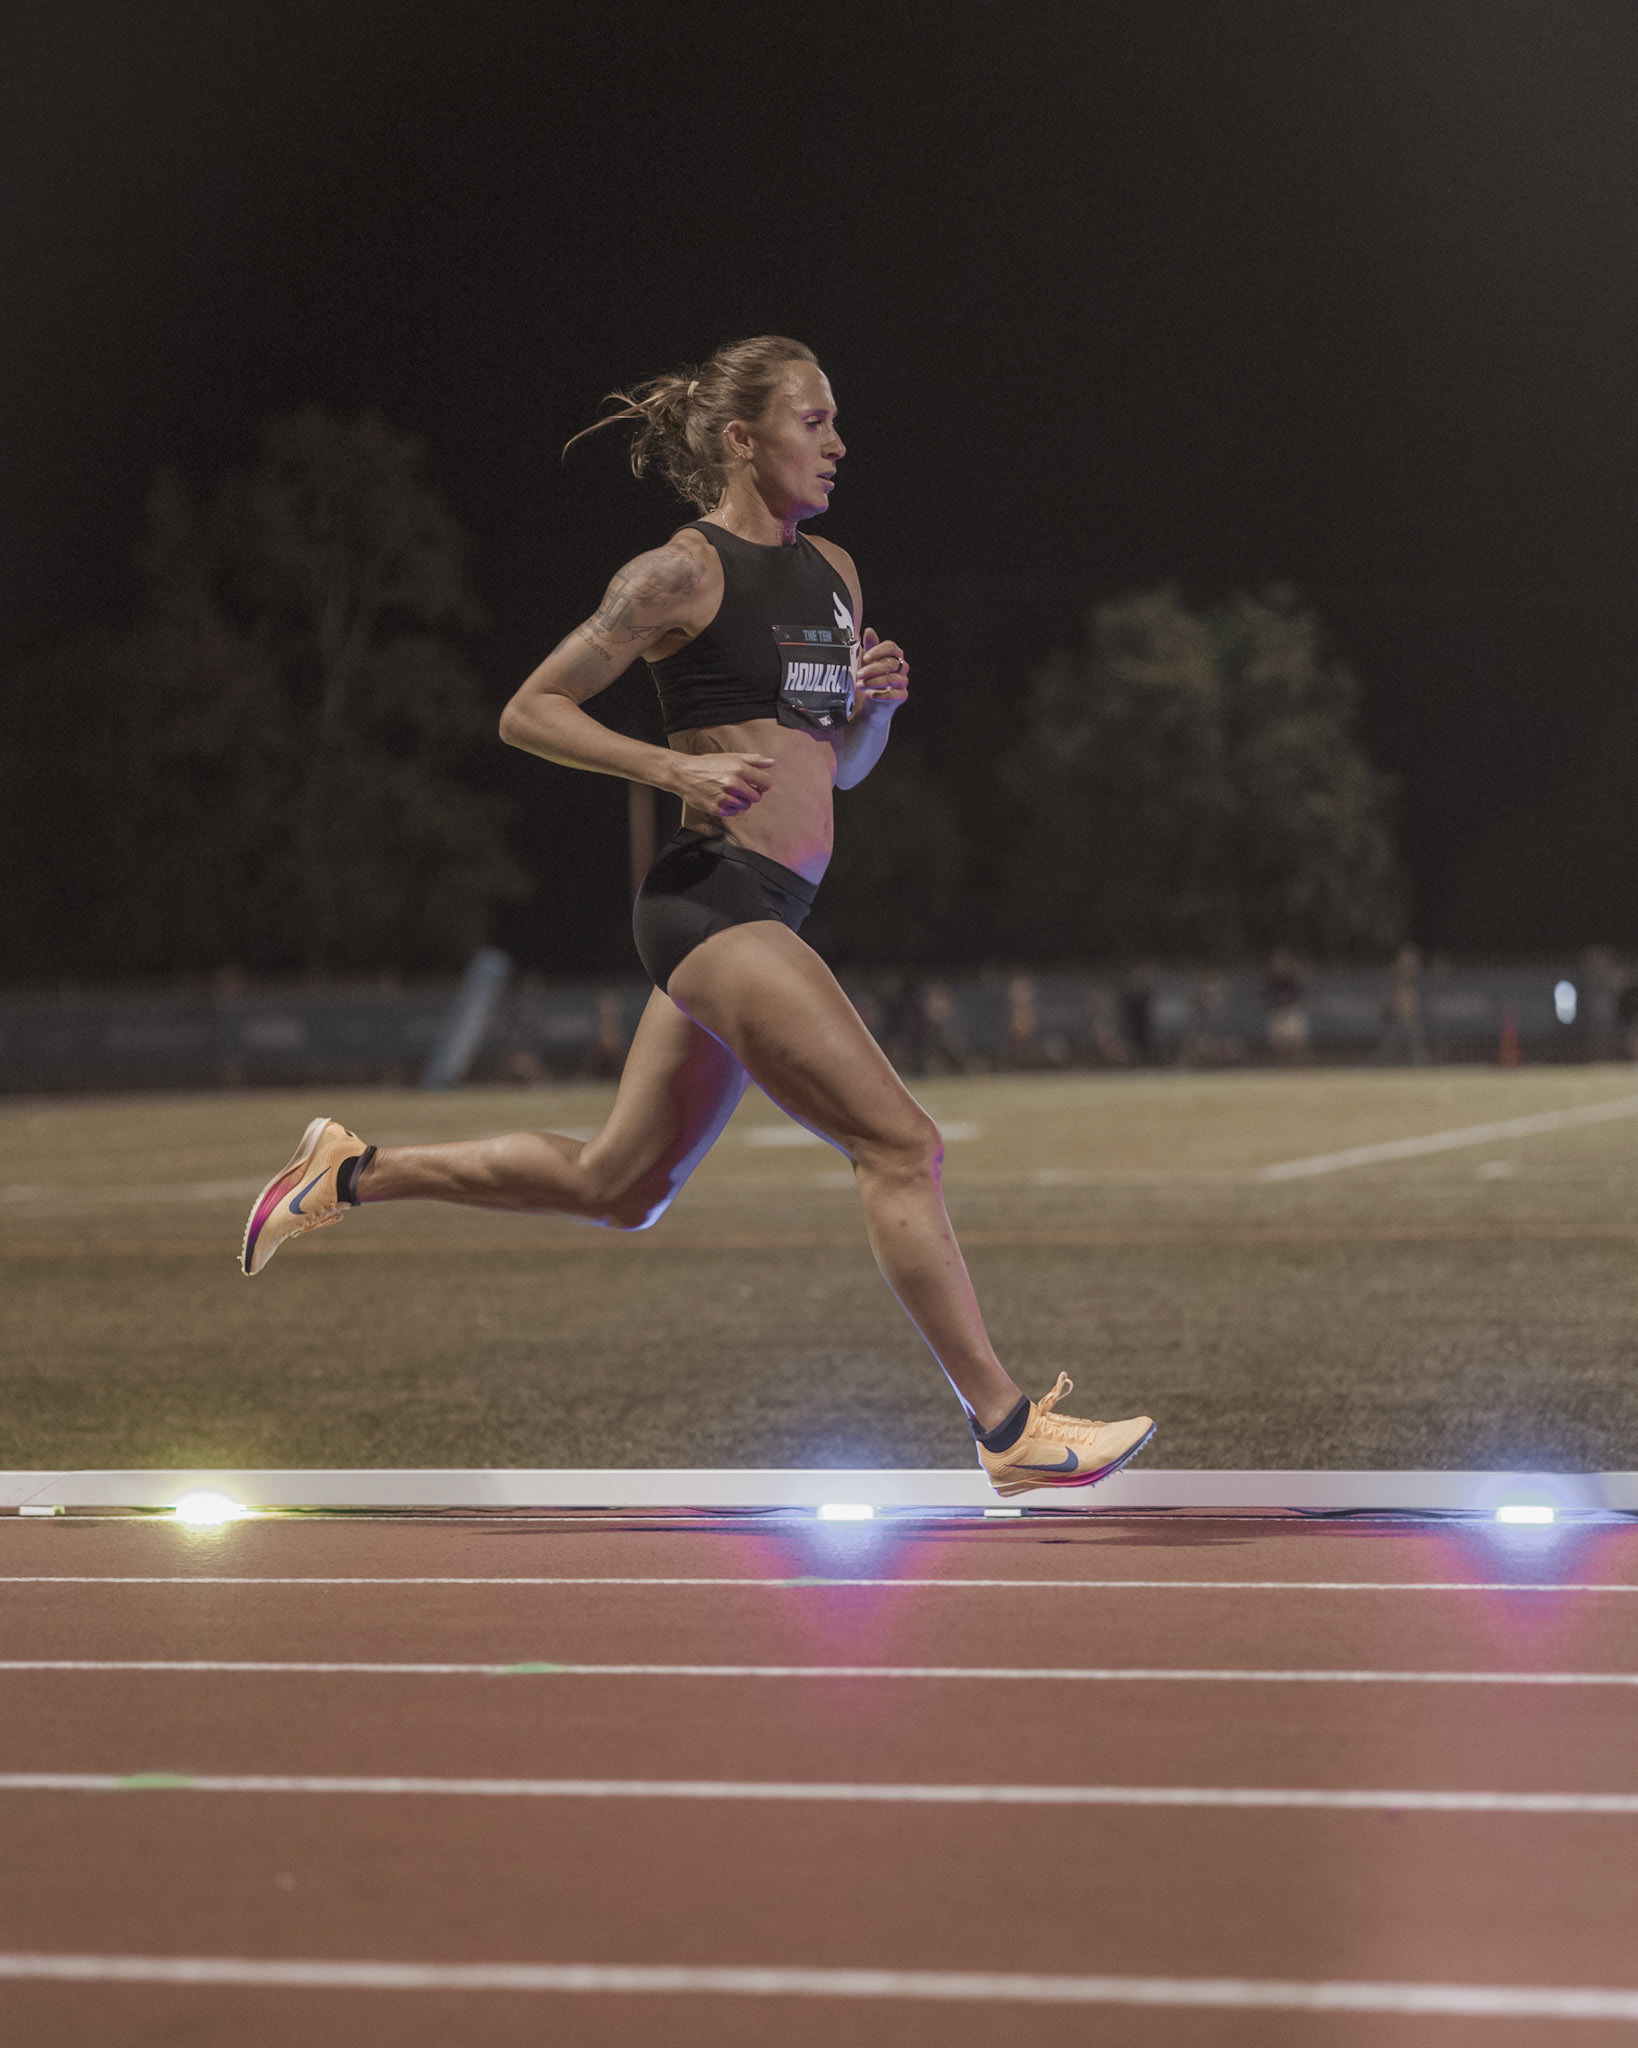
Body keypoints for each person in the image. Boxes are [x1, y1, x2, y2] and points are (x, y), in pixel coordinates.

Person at [239, 335, 1154, 1498]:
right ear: (742, 438)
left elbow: (836, 770)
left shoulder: (835, 571)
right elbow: (530, 709)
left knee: (620, 1187)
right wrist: (669, 769)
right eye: (814, 421)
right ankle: (1007, 1425)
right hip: (708, 899)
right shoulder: (679, 572)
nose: (838, 442)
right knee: (901, 1144)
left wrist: (874, 714)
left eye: (835, 420)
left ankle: (349, 1172)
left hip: (773, 906)